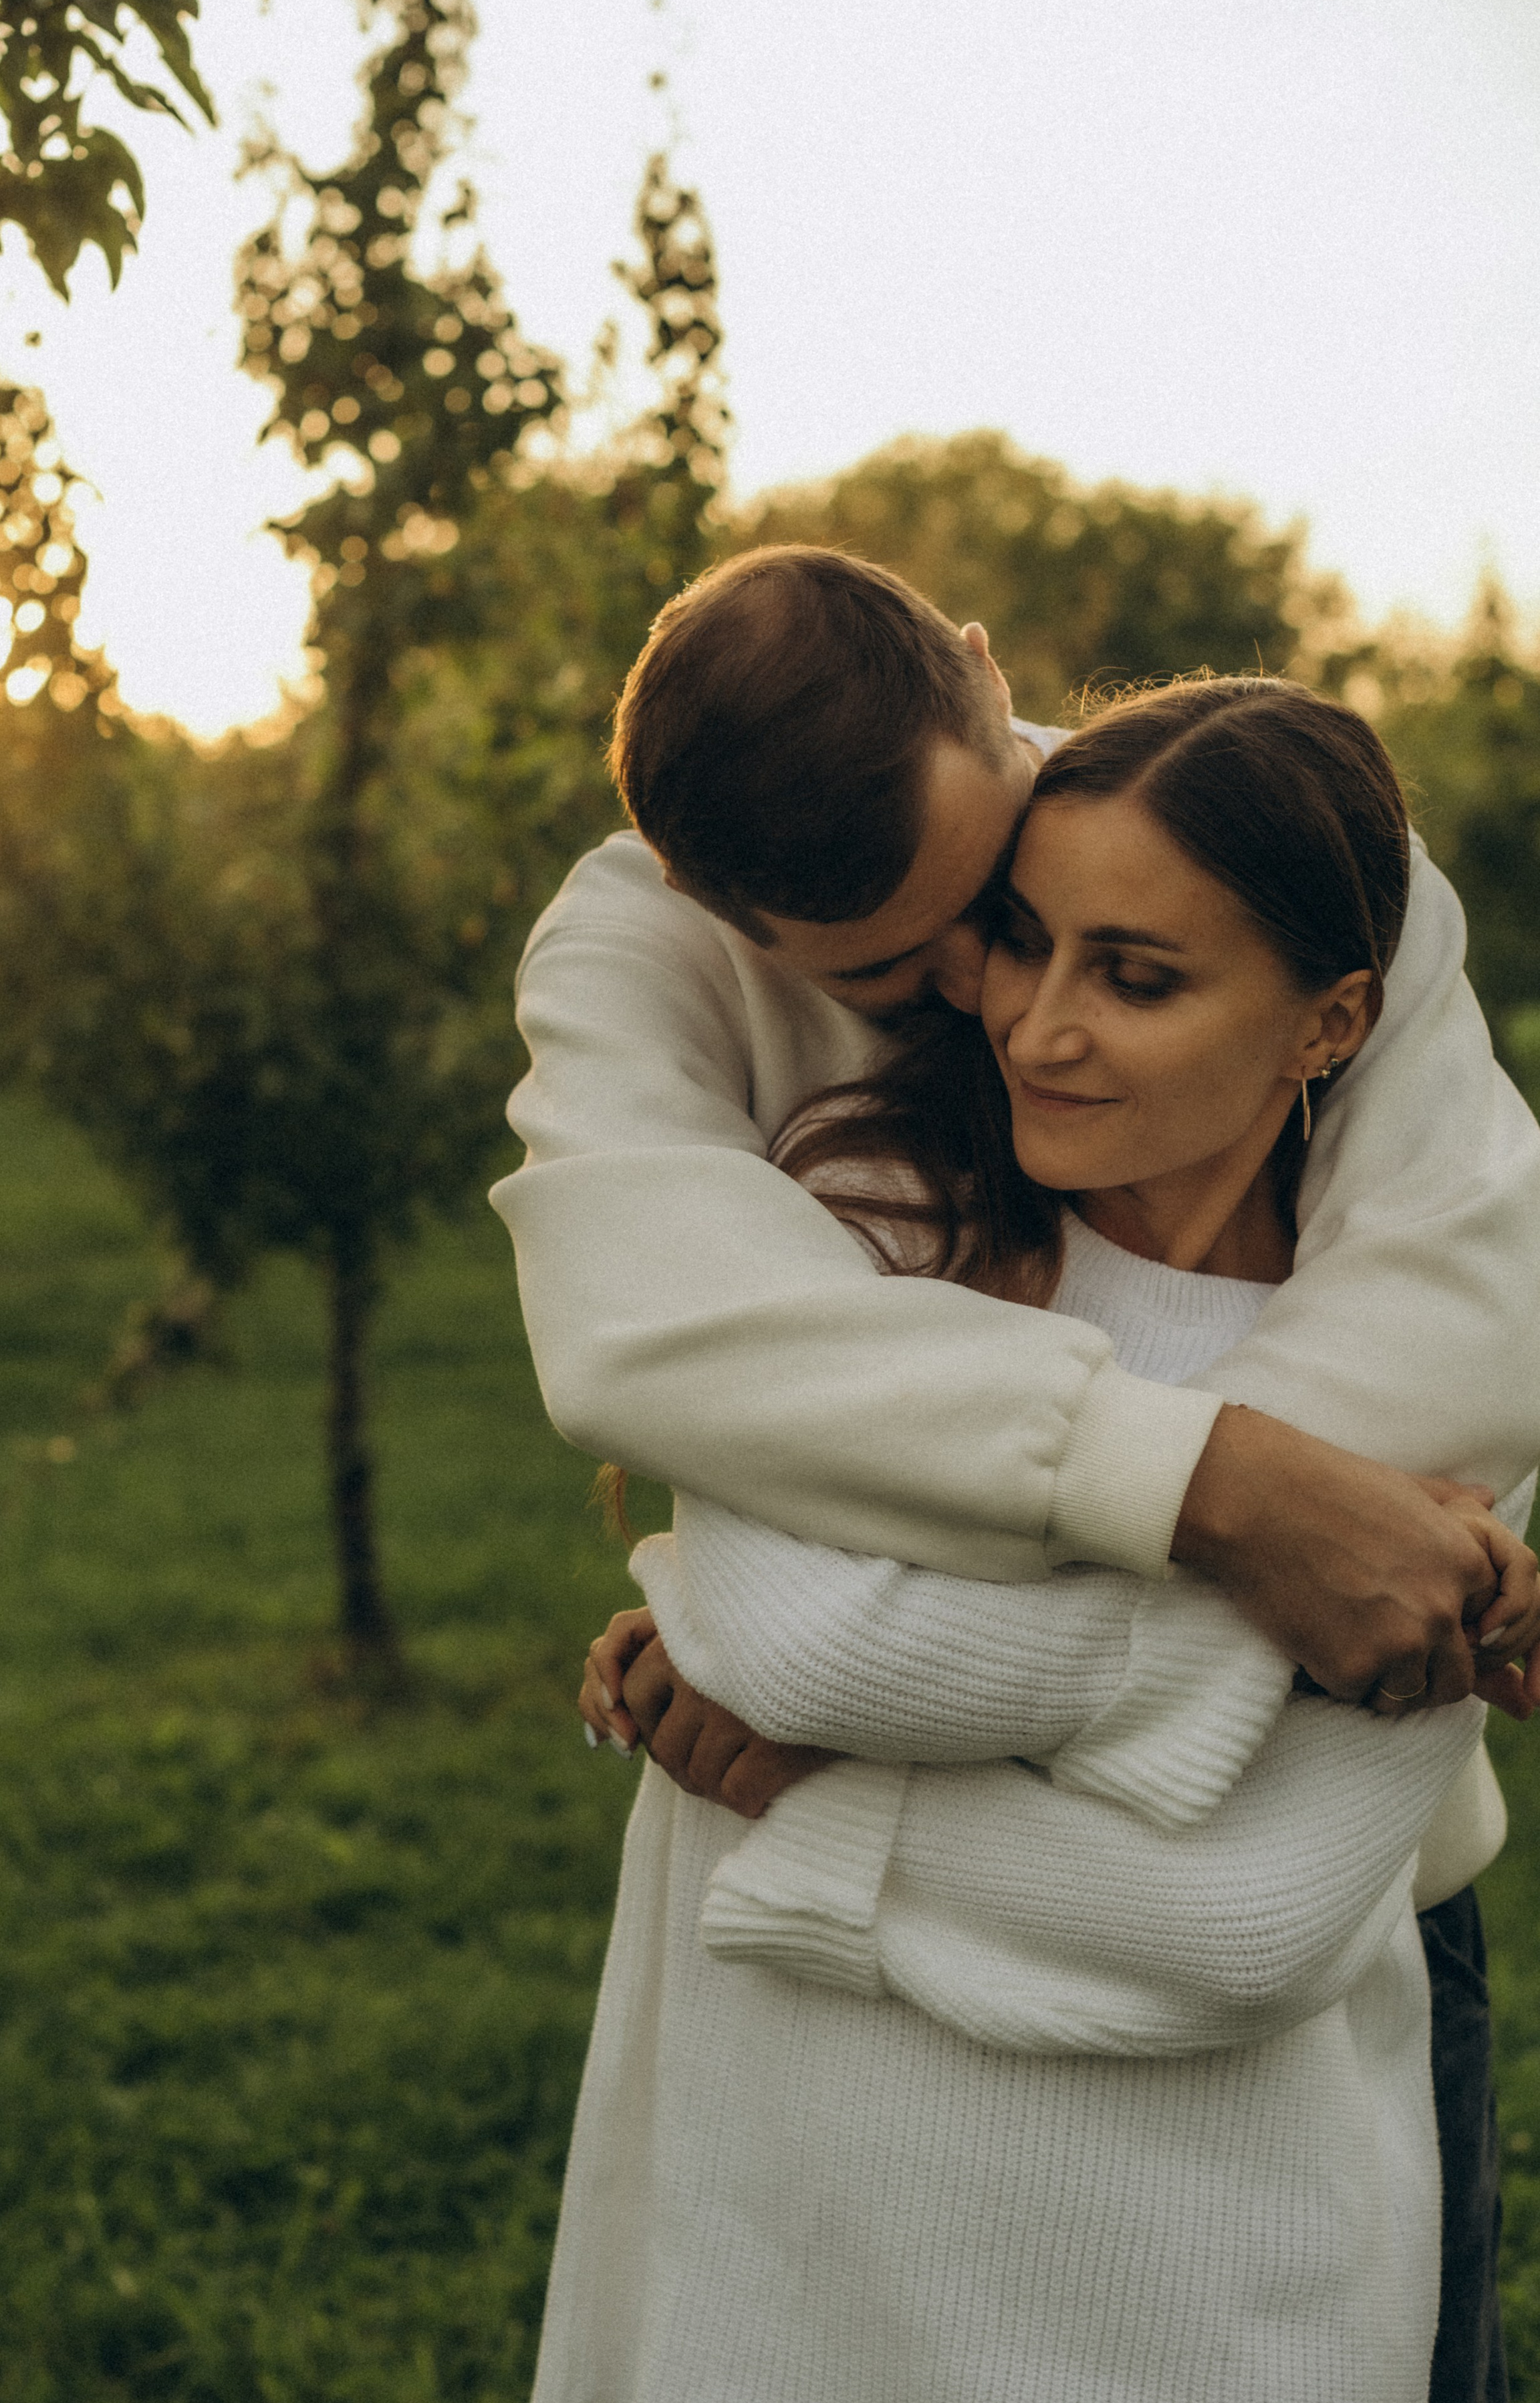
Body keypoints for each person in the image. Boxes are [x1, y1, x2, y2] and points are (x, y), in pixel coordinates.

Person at [536, 676, 1540, 2403]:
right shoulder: (863, 1218)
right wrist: (1257, 1635)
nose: (1028, 1022)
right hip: (830, 2247)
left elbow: (1246, 1927)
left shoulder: (1423, 1380)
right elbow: (790, 1638)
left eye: (1135, 978)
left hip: (1221, 2303)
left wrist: (819, 1808)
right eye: (1018, 940)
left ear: (1332, 1021)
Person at [492, 548, 1540, 1719]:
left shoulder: (1295, 847)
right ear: (699, 899)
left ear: (988, 682)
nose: (992, 994)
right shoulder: (635, 949)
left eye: (998, 902)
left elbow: (1462, 1324)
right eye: (886, 967)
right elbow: (658, 1340)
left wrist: (845, 1678)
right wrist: (1219, 1491)